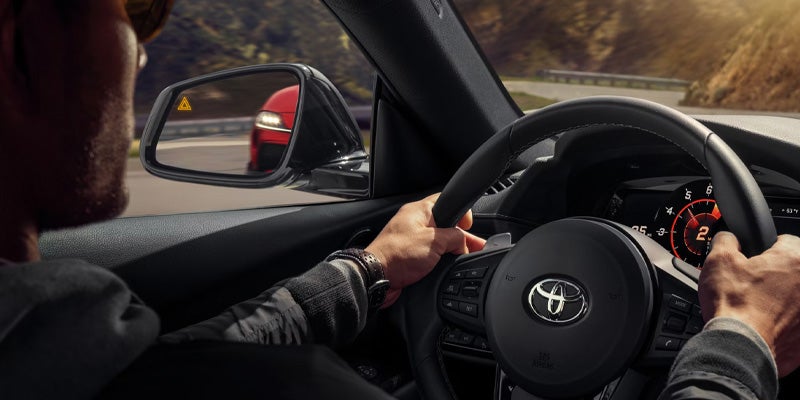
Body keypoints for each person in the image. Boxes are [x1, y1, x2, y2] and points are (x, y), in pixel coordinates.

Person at [0, 1, 799, 399]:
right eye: (134, 13)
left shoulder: (52, 349)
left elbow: (176, 369)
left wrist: (374, 268)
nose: (141, 50)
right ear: (17, 37)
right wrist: (741, 336)